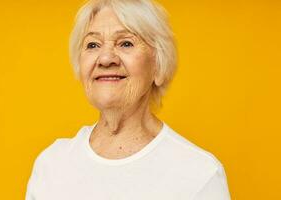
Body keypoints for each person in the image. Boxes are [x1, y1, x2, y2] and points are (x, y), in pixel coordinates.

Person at [25, 0, 231, 199]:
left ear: (158, 66)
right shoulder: (51, 165)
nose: (105, 59)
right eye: (93, 44)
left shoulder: (198, 174)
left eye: (125, 43)